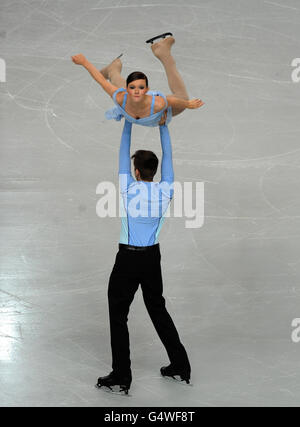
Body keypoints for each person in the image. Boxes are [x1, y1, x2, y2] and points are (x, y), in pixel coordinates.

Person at [95, 118, 191, 395]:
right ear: (154, 172)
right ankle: (180, 365)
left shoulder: (128, 187)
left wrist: (128, 120)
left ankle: (122, 375)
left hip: (127, 260)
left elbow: (121, 152)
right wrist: (164, 124)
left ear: (136, 172)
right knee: (158, 310)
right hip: (152, 260)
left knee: (118, 315)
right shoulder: (165, 189)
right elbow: (169, 155)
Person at [71, 34, 204, 127]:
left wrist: (187, 104)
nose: (136, 91)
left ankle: (163, 54)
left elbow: (171, 100)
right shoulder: (121, 97)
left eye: (141, 88)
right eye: (132, 88)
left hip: (156, 115)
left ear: (146, 90)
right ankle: (114, 69)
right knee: (121, 89)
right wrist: (84, 62)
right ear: (127, 89)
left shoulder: (157, 103)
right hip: (131, 105)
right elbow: (101, 80)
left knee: (182, 97)